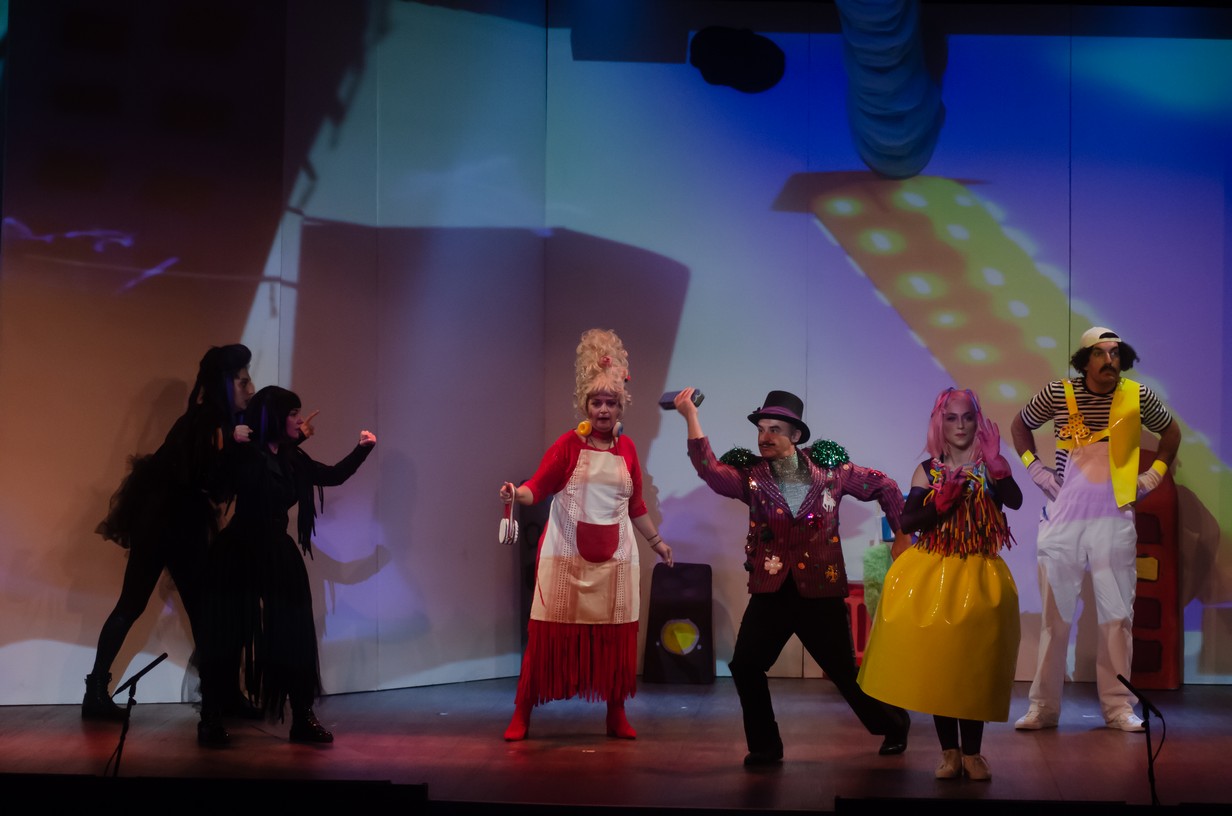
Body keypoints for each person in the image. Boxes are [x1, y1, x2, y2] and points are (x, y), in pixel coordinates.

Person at [674, 387, 912, 766]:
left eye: (775, 429)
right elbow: (710, 471)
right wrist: (691, 416)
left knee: (843, 673)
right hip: (772, 589)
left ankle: (894, 724)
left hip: (820, 590)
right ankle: (765, 747)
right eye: (761, 429)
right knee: (746, 665)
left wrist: (902, 532)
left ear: (796, 435)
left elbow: (885, 485)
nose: (764, 437)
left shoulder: (832, 472)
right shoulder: (752, 477)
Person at [500, 328, 673, 742]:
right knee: (546, 638)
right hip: (566, 559)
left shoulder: (628, 450)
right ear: (586, 405)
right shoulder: (567, 445)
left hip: (616, 562)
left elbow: (636, 506)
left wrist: (657, 543)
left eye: (611, 402)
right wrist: (515, 494)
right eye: (597, 402)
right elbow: (537, 487)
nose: (603, 409)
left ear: (620, 406)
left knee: (615, 640)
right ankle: (522, 712)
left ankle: (616, 714)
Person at [1012, 326, 1180, 732]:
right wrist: (1036, 469)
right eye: (1101, 354)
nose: (1110, 361)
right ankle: (1043, 707)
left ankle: (1119, 707)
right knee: (1055, 618)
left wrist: (1154, 475)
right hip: (1064, 519)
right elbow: (1020, 425)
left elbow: (1171, 433)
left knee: (1117, 617)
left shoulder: (1137, 395)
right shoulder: (1059, 392)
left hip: (1114, 519)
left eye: (1116, 353)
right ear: (1084, 360)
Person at [857, 387, 1022, 781]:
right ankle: (949, 752)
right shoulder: (928, 471)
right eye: (952, 418)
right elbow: (909, 521)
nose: (960, 425)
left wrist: (998, 466)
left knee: (973, 666)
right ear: (940, 423)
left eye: (968, 417)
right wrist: (939, 503)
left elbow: (1014, 501)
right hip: (936, 574)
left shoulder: (989, 467)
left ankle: (973, 753)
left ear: (977, 421)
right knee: (942, 668)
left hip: (980, 576)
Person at [197, 385, 375, 746]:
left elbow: (332, 475)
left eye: (298, 413)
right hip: (240, 550)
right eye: (292, 413)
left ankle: (302, 717)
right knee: (229, 633)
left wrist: (362, 449)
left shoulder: (293, 459)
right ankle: (211, 718)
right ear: (275, 418)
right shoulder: (247, 453)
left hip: (277, 551)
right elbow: (214, 485)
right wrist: (231, 445)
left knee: (295, 633)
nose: (299, 419)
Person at [85, 344, 256, 721]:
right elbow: (198, 476)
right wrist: (231, 444)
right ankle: (97, 692)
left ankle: (223, 694)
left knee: (195, 611)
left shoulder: (218, 423)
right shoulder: (204, 422)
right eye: (243, 382)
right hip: (167, 525)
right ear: (224, 383)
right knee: (144, 605)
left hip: (176, 524)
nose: (251, 388)